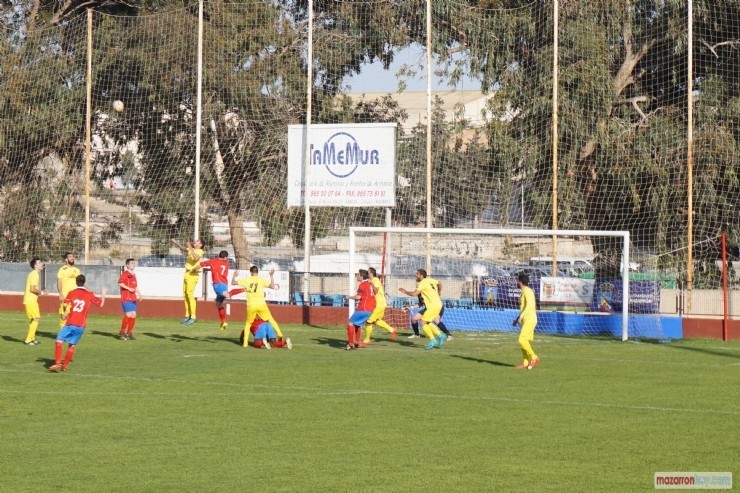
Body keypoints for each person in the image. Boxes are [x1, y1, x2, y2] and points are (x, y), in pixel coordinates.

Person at [48, 275, 106, 372]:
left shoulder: (72, 293)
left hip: (70, 323)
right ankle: (65, 366)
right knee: (72, 345)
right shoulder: (89, 294)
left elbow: (66, 304)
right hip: (81, 325)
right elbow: (101, 304)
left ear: (76, 282)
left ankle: (58, 362)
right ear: (85, 282)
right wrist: (103, 294)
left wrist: (65, 313)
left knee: (59, 340)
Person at [232, 266, 283, 349]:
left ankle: (245, 344)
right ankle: (280, 334)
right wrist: (271, 276)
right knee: (271, 319)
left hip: (251, 305)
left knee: (248, 324)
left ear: (251, 272)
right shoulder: (261, 280)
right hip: (261, 304)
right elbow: (273, 286)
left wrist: (234, 275)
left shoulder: (247, 280)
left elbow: (233, 282)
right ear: (257, 272)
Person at [399, 269, 446, 350]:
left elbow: (414, 294)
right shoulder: (430, 280)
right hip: (438, 304)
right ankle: (440, 335)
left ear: (421, 275)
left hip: (433, 306)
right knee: (426, 322)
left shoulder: (422, 283)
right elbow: (440, 283)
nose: (415, 275)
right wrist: (439, 291)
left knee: (423, 322)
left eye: (417, 274)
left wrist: (405, 291)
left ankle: (433, 340)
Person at [198, 250, 234, 330]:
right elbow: (218, 269)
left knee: (226, 295)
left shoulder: (214, 261)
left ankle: (243, 290)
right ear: (225, 257)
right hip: (224, 284)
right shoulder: (226, 263)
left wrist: (193, 269)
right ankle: (223, 322)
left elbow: (201, 264)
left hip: (218, 284)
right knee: (218, 304)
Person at [360, 266, 397, 346]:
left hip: (379, 304)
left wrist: (371, 283)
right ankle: (392, 330)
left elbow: (376, 290)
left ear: (371, 273)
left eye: (368, 272)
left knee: (369, 321)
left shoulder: (375, 280)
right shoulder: (372, 280)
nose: (367, 273)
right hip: (379, 304)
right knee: (376, 321)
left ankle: (366, 340)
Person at [171, 238, 204, 325]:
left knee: (190, 295)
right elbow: (182, 248)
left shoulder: (200, 251)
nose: (195, 241)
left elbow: (196, 258)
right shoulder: (191, 249)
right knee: (185, 295)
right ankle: (187, 315)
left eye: (197, 241)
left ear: (200, 245)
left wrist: (190, 247)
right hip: (187, 273)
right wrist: (176, 242)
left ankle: (193, 317)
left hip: (193, 274)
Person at [513, 274, 540, 370]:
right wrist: (518, 318)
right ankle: (525, 362)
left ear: (520, 281)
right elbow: (524, 307)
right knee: (524, 342)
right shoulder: (524, 291)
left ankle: (534, 357)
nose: (517, 283)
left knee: (522, 340)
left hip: (530, 319)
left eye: (517, 281)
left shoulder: (527, 291)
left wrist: (521, 316)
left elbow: (529, 306)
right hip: (527, 319)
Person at [345, 269, 376, 350]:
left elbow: (358, 297)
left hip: (364, 307)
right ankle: (357, 342)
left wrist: (349, 297)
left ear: (362, 276)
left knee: (350, 323)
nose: (357, 276)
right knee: (357, 324)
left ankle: (351, 343)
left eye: (358, 274)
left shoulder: (362, 285)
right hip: (371, 308)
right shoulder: (369, 284)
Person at [23, 257, 48, 345]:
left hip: (30, 300)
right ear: (35, 265)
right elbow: (32, 289)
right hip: (30, 301)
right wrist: (41, 292)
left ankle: (32, 338)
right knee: (37, 319)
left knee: (34, 319)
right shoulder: (34, 274)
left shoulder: (34, 274)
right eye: (40, 262)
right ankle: (28, 340)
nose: (41, 264)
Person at [117, 258, 141, 340]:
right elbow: (120, 283)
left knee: (134, 314)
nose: (133, 264)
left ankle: (129, 332)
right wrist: (128, 288)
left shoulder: (134, 275)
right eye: (131, 263)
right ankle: (122, 331)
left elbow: (135, 286)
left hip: (133, 297)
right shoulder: (125, 273)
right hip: (126, 297)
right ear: (127, 265)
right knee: (128, 314)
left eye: (134, 263)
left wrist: (139, 293)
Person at [56, 252, 81, 329]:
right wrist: (60, 293)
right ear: (66, 259)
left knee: (73, 316)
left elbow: (80, 283)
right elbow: (59, 282)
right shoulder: (62, 269)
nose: (72, 258)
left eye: (73, 257)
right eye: (70, 257)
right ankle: (62, 335)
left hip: (75, 297)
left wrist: (88, 291)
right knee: (63, 317)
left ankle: (69, 334)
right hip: (65, 296)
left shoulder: (77, 270)